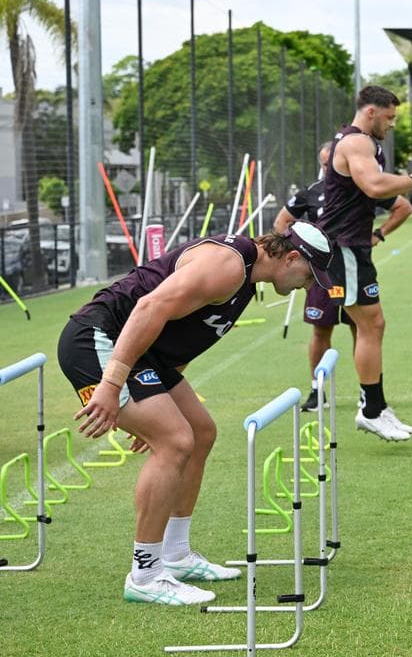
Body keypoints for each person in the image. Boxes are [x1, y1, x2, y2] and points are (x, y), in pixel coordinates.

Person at [58, 222, 336, 605]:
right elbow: (148, 306)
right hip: (99, 339)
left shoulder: (247, 278)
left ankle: (175, 555)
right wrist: (111, 384)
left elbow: (180, 338)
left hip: (145, 353)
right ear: (290, 257)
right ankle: (146, 574)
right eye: (309, 275)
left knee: (200, 431)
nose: (308, 287)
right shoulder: (229, 266)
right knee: (174, 441)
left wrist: (154, 404)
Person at [318, 85, 412, 441]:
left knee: (372, 325)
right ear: (371, 112)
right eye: (389, 118)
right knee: (371, 325)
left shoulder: (360, 142)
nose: (391, 125)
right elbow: (373, 185)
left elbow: (376, 189)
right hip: (343, 246)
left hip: (353, 246)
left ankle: (375, 404)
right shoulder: (356, 142)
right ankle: (371, 409)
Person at [274, 142, 412, 413]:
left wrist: (379, 233)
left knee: (362, 328)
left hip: (354, 267)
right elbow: (281, 223)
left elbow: (403, 207)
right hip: (320, 273)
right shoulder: (310, 193)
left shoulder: (359, 189)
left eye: (332, 164)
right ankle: (317, 391)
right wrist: (296, 251)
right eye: (324, 164)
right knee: (320, 329)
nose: (329, 169)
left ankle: (368, 394)